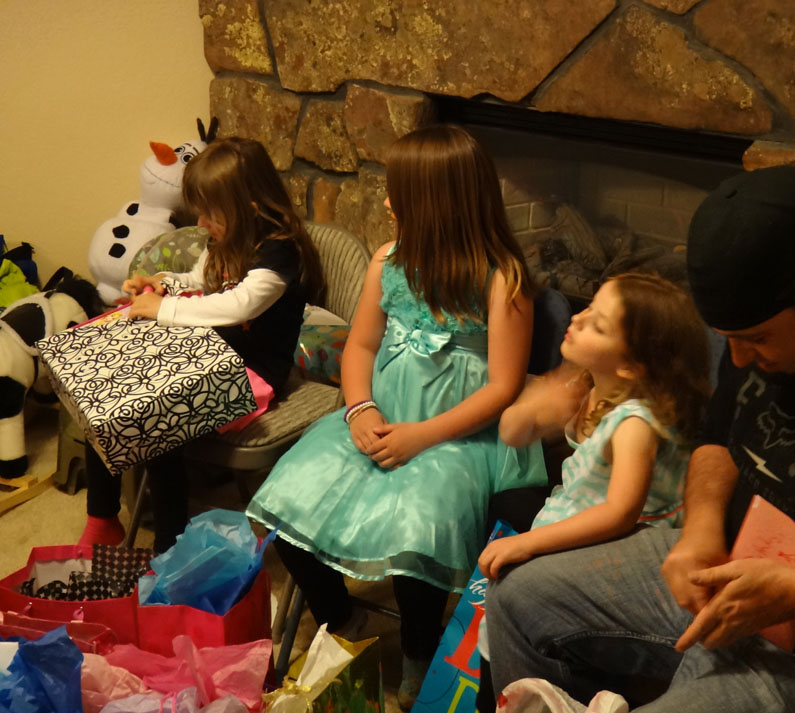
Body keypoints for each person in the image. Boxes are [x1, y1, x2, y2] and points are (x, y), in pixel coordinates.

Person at [485, 165, 795, 712]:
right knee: (515, 596)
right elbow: (718, 434)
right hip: (731, 568)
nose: (739, 360)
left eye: (755, 340)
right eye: (727, 340)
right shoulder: (765, 317)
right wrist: (701, 529)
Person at [245, 124, 548, 710]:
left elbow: (504, 386)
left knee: (421, 531)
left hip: (460, 437)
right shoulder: (387, 260)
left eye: (397, 192)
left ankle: (418, 649)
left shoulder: (503, 278)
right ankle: (342, 616)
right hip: (377, 420)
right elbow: (360, 346)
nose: (386, 202)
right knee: (288, 499)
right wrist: (359, 408)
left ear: (436, 203)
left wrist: (422, 436)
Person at [474, 272, 709, 711]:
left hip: (605, 552)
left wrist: (527, 543)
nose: (578, 318)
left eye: (597, 325)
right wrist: (536, 407)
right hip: (571, 522)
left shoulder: (635, 422)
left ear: (629, 366)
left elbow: (620, 512)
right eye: (589, 308)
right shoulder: (588, 384)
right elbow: (511, 433)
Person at [79, 136, 325, 552]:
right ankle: (101, 517)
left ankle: (169, 545)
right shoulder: (225, 238)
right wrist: (163, 283)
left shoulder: (280, 253)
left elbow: (239, 304)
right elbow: (199, 280)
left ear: (250, 209)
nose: (202, 224)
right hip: (207, 356)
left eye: (211, 214)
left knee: (158, 423)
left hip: (251, 375)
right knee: (107, 391)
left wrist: (163, 308)